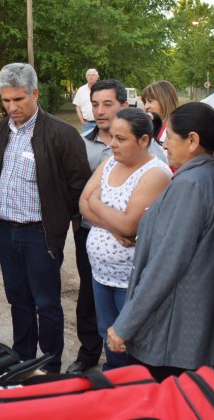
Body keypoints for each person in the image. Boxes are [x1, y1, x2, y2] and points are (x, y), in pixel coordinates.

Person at [107, 102, 214, 383]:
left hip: (173, 336)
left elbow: (166, 264)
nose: (164, 143)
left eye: (169, 135)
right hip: (195, 331)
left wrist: (125, 325)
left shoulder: (191, 185)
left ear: (192, 140)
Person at [0, 63, 91, 373]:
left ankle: (49, 365)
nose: (12, 107)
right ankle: (22, 359)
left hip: (40, 234)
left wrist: (60, 226)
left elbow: (79, 188)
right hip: (6, 231)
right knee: (18, 300)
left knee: (46, 303)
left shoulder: (62, 134)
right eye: (6, 101)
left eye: (18, 100)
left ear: (35, 93)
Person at [81, 108, 172, 371]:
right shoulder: (110, 162)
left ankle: (130, 393)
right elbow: (82, 203)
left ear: (144, 141)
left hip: (130, 280)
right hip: (101, 274)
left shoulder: (155, 174)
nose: (112, 144)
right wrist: (114, 227)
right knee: (107, 335)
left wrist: (97, 203)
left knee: (129, 343)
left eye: (121, 139)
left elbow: (130, 225)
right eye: (111, 136)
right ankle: (115, 386)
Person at [67, 79, 129, 374]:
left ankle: (126, 360)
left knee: (126, 298)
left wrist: (124, 229)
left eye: (108, 104)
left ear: (124, 106)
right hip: (89, 234)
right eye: (95, 105)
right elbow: (75, 190)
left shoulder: (148, 148)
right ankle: (89, 352)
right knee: (90, 294)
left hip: (132, 240)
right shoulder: (81, 143)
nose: (100, 111)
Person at [141, 80, 179, 145]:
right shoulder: (150, 128)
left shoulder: (177, 131)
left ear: (164, 101)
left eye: (150, 101)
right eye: (145, 102)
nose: (146, 106)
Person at [73, 68, 99, 133]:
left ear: (97, 77)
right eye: (89, 75)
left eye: (93, 75)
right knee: (87, 143)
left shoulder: (101, 89)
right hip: (87, 124)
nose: (91, 76)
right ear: (86, 77)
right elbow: (78, 106)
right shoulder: (81, 90)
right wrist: (82, 121)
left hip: (101, 123)